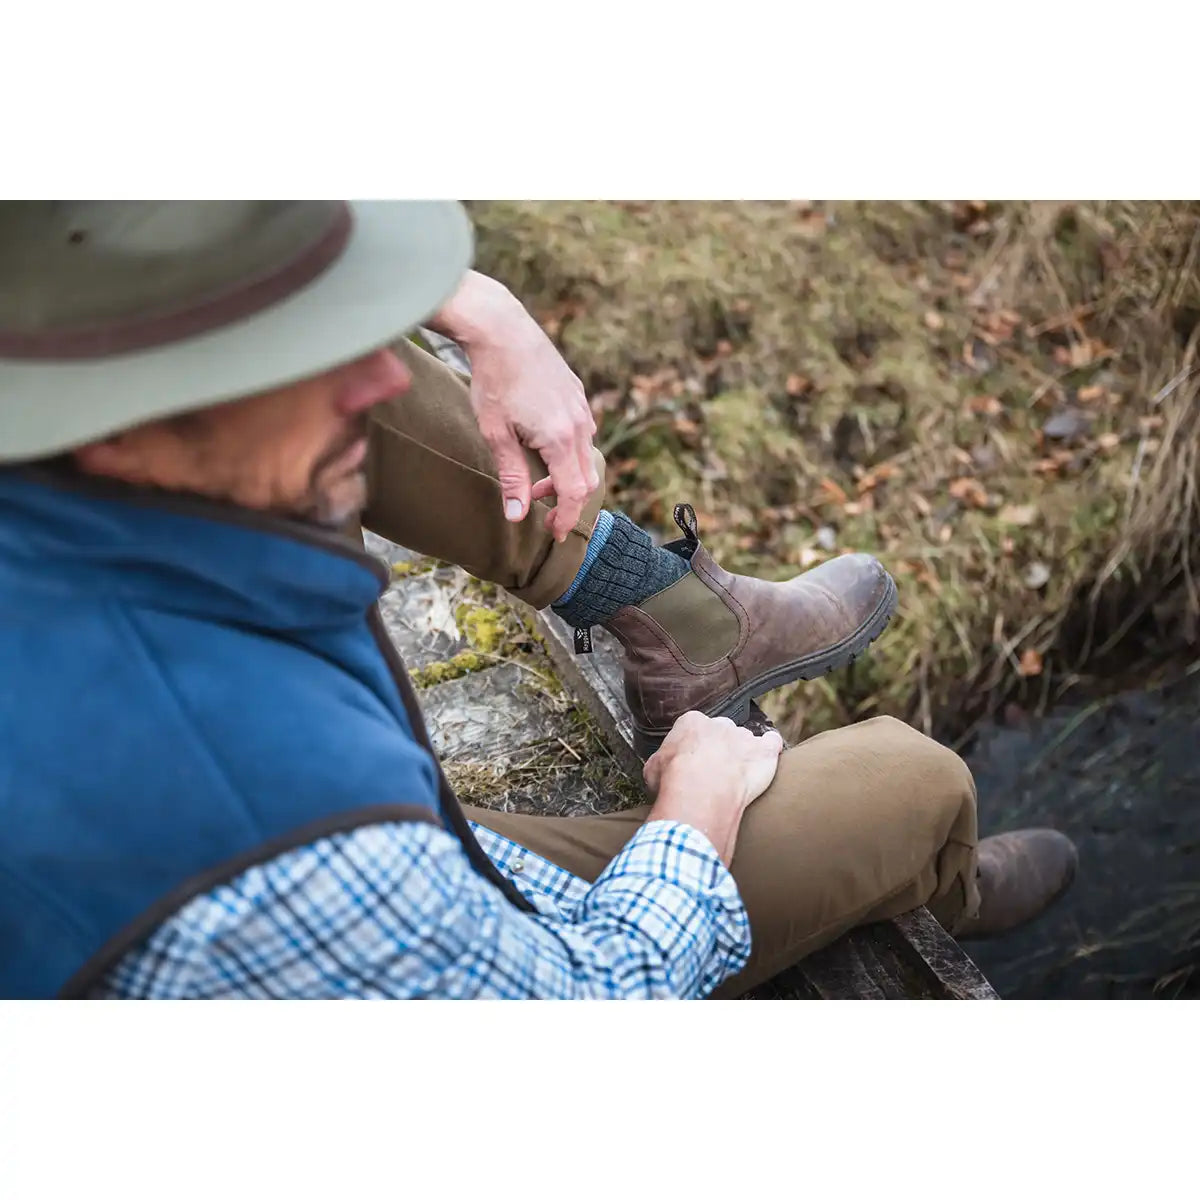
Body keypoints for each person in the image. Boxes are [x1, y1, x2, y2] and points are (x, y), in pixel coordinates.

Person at [0, 200, 1077, 1000]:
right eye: (305, 362)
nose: (383, 379)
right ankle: (941, 880)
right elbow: (588, 1009)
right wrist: (692, 813)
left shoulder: (73, 458)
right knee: (912, 779)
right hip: (343, 908)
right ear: (120, 425)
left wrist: (472, 301)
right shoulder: (292, 858)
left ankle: (674, 616)